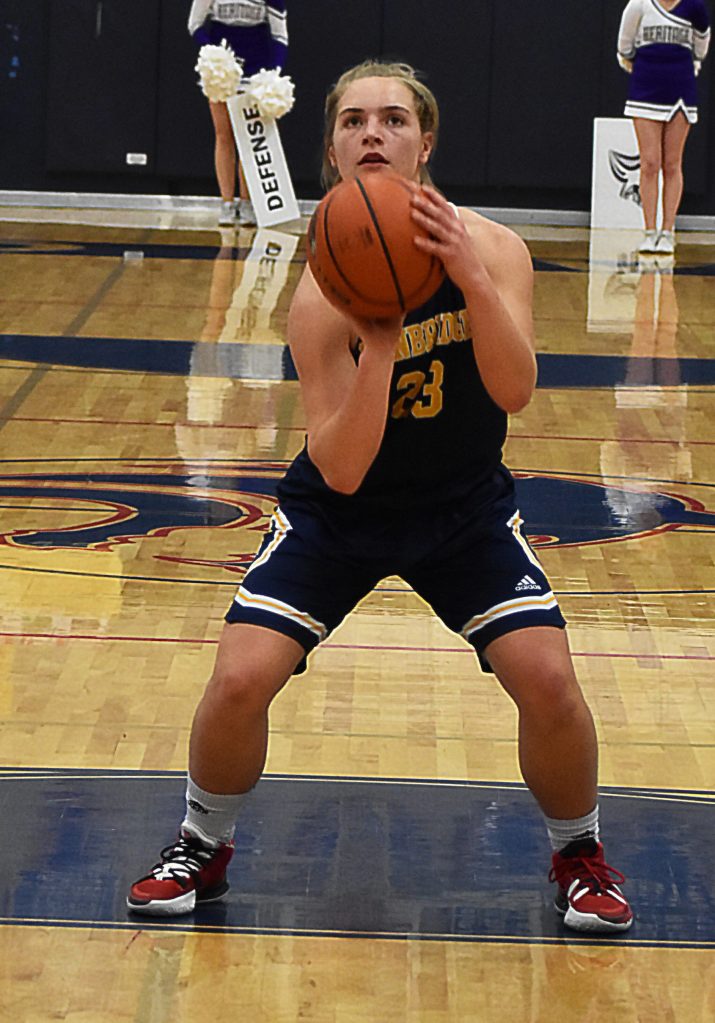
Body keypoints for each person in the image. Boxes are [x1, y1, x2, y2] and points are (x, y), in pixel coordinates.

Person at [127, 60, 634, 934]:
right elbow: (344, 466)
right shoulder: (323, 285)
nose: (373, 132)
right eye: (354, 120)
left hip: (463, 508)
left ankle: (578, 854)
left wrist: (469, 280)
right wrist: (386, 340)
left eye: (393, 119)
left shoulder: (498, 246)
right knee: (241, 678)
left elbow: (514, 391)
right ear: (329, 148)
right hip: (341, 511)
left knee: (549, 680)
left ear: (424, 140)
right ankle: (200, 843)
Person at [617, 0, 711, 255]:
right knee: (649, 163)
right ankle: (649, 232)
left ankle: (667, 232)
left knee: (672, 163)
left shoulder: (694, 7)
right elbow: (624, 45)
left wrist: (693, 63)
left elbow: (702, 43)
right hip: (645, 89)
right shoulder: (639, 4)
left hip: (680, 91)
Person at [188, 0, 289, 226]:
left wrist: (273, 73)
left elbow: (280, 36)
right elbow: (194, 24)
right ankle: (226, 202)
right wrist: (213, 53)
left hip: (256, 73)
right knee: (223, 135)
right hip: (222, 72)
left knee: (249, 140)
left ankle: (247, 202)